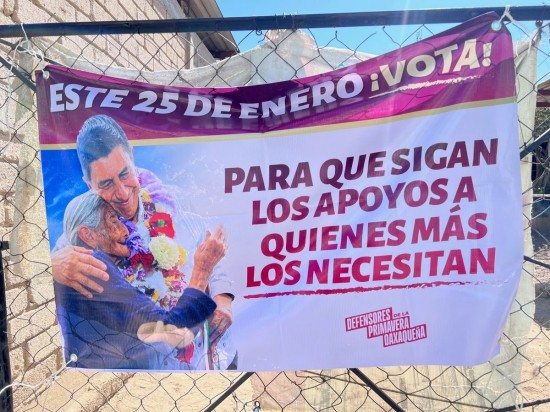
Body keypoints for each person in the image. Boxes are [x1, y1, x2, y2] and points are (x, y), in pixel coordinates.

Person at [51, 114, 236, 369]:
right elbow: (57, 274)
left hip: (206, 359)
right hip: (146, 371)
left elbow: (210, 250)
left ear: (131, 155)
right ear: (89, 184)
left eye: (125, 174)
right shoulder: (83, 233)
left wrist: (223, 298)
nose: (122, 193)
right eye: (106, 184)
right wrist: (51, 265)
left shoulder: (173, 202)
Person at [56, 191, 226, 369]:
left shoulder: (75, 267)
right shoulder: (91, 266)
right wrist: (203, 270)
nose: (125, 231)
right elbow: (175, 330)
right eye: (113, 220)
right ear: (88, 235)